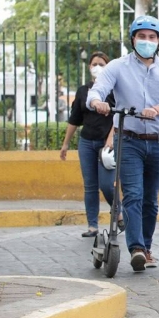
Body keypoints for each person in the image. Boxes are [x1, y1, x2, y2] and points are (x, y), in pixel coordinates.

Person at [87, 16, 159, 272]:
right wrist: (98, 103)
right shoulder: (117, 67)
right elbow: (97, 90)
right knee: (134, 195)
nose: (147, 41)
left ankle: (147, 247)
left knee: (151, 200)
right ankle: (136, 248)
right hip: (128, 140)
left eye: (152, 37)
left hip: (158, 141)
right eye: (142, 36)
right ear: (133, 39)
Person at [60, 51, 122, 238]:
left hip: (107, 145)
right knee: (90, 185)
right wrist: (65, 144)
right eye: (94, 64)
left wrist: (111, 139)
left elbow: (118, 116)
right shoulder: (83, 91)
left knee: (106, 184)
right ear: (89, 67)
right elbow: (74, 119)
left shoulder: (114, 90)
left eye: (102, 64)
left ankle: (118, 212)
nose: (98, 67)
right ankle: (92, 226)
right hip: (87, 142)